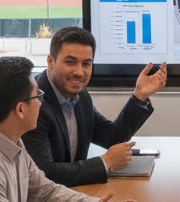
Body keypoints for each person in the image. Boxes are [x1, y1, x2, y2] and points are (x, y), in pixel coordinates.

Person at [0, 55, 141, 202]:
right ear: (21, 109)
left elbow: (44, 192)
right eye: (37, 97)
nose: (41, 104)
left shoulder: (10, 139)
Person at [23, 25, 167, 187]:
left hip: (73, 194)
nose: (79, 72)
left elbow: (112, 137)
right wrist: (104, 162)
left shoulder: (80, 96)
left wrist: (140, 96)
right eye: (70, 62)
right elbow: (45, 174)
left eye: (86, 64)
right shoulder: (33, 103)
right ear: (51, 61)